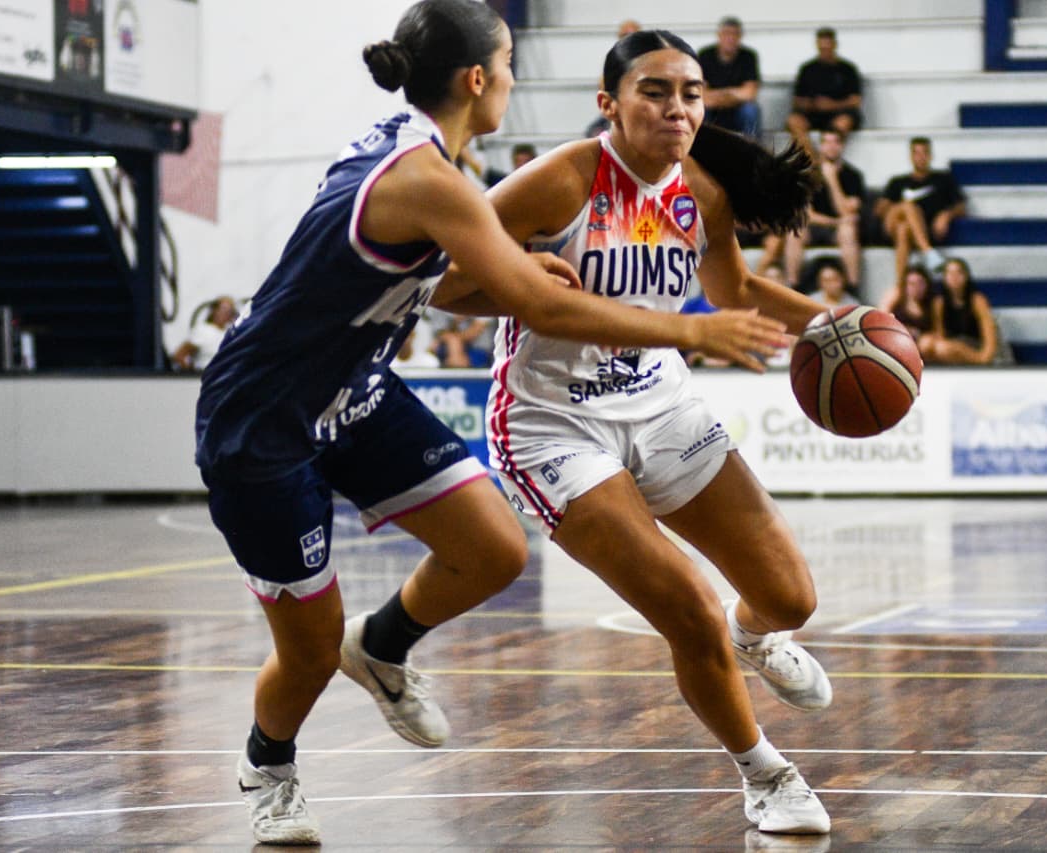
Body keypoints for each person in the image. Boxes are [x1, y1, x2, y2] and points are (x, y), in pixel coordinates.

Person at [192, 2, 788, 844]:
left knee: (494, 548)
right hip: (264, 418)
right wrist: (693, 330)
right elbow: (544, 307)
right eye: (508, 65)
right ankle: (269, 764)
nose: (513, 78)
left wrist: (517, 265)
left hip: (353, 389)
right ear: (478, 79)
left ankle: (383, 646)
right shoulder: (429, 180)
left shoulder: (419, 153)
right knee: (311, 648)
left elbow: (461, 278)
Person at [429, 29, 837, 835]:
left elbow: (735, 290)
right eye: (654, 91)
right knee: (688, 607)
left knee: (790, 597)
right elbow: (441, 283)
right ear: (608, 105)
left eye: (691, 93)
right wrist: (522, 285)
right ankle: (765, 772)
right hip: (554, 422)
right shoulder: (558, 181)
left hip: (660, 405)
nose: (676, 107)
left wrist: (837, 320)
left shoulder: (702, 193)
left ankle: (752, 635)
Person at [756, 127, 864, 290]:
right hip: (815, 226)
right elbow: (807, 215)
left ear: (842, 146)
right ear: (821, 146)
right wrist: (837, 221)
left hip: (838, 231)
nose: (831, 147)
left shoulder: (853, 176)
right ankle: (793, 285)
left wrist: (832, 180)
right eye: (826, 142)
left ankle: (853, 287)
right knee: (795, 230)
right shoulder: (808, 175)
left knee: (848, 231)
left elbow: (847, 211)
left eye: (835, 142)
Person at [874, 136, 966, 274]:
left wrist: (947, 215)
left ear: (930, 156)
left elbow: (961, 208)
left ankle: (900, 285)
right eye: (916, 153)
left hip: (921, 229)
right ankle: (928, 252)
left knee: (903, 229)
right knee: (908, 206)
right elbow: (879, 211)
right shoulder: (897, 181)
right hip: (891, 223)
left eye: (924, 153)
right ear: (911, 156)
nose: (920, 157)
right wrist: (900, 208)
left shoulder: (943, 179)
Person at [786, 27, 862, 161]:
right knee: (793, 121)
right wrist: (813, 105)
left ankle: (830, 158)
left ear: (835, 45)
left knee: (843, 122)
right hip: (812, 113)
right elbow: (797, 100)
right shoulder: (807, 69)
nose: (825, 51)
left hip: (839, 113)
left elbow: (855, 101)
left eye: (828, 47)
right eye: (822, 47)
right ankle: (813, 160)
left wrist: (832, 105)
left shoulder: (847, 69)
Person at [924, 256, 1012, 365]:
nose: (954, 277)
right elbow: (940, 334)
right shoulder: (939, 302)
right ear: (944, 278)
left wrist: (985, 359)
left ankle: (976, 364)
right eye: (950, 273)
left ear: (966, 276)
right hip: (955, 345)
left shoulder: (977, 300)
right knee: (926, 343)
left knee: (943, 348)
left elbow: (989, 334)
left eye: (958, 273)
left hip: (978, 345)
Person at [697, 16, 762, 139]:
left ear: (740, 37)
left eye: (735, 34)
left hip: (738, 110)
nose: (730, 38)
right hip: (713, 110)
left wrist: (718, 95)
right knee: (700, 109)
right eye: (727, 34)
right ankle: (701, 148)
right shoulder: (705, 55)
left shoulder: (748, 57)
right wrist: (733, 94)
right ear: (719, 35)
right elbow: (701, 94)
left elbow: (750, 93)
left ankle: (750, 149)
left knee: (751, 111)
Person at [878, 251, 935, 350]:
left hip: (923, 347)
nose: (916, 288)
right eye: (912, 284)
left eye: (920, 283)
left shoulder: (932, 303)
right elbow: (881, 321)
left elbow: (937, 331)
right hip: (896, 341)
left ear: (927, 285)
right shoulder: (896, 297)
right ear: (905, 285)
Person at [171, 296, 238, 371]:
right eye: (223, 310)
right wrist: (191, 372)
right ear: (214, 311)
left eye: (229, 311)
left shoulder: (232, 332)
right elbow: (180, 355)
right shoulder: (203, 330)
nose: (226, 314)